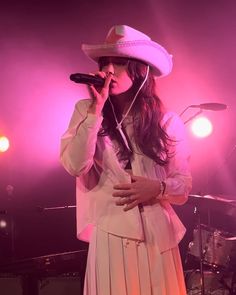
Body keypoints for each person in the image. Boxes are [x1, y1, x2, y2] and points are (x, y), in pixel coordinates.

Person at [60, 24, 192, 295]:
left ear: (140, 70)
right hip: (111, 232)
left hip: (158, 238)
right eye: (104, 62)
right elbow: (75, 165)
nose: (108, 70)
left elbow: (184, 184)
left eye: (118, 63)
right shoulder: (86, 111)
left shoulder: (167, 121)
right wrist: (96, 112)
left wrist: (159, 188)